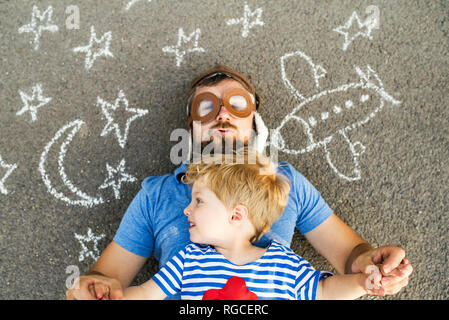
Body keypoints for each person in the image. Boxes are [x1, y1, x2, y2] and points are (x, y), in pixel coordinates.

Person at [66, 64, 412, 300]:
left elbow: (349, 257)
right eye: (206, 106)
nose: (222, 113)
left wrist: (374, 266)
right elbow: (110, 280)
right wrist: (91, 288)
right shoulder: (157, 194)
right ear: (191, 127)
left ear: (255, 123)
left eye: (237, 104)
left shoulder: (285, 181)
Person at [122, 150, 380, 300]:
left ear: (236, 215)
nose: (186, 210)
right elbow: (146, 294)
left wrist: (360, 284)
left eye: (198, 201)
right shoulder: (189, 260)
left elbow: (323, 291)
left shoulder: (283, 264)